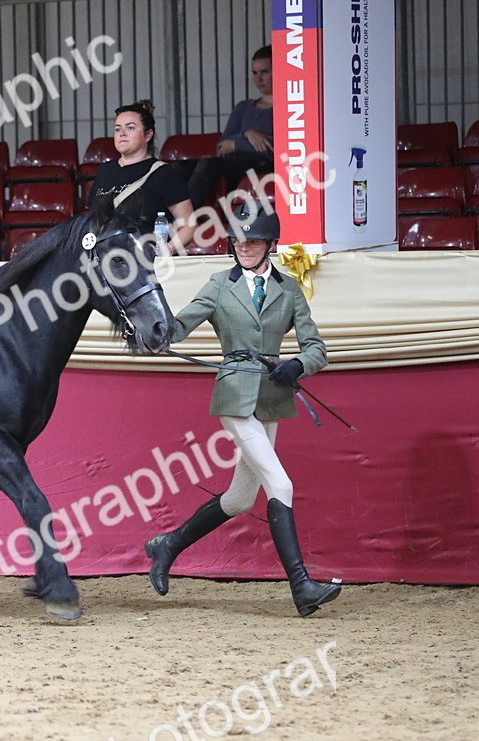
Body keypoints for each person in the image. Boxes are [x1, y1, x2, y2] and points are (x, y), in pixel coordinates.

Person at [144, 201, 341, 617]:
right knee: (281, 485)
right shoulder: (218, 285)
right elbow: (180, 327)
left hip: (270, 396)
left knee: (238, 498)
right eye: (238, 240)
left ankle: (168, 544)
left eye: (253, 240)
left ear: (269, 243)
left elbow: (317, 348)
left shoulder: (288, 290)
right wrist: (157, 325)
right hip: (234, 396)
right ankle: (302, 588)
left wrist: (298, 364)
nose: (245, 247)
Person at [89, 100, 195, 252]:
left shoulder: (164, 173)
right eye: (117, 129)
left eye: (130, 128)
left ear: (148, 135)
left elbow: (189, 225)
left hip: (142, 265)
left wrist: (167, 249)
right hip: (102, 261)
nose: (122, 134)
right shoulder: (105, 170)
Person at [183, 46, 275, 209]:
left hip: (265, 164)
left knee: (208, 165)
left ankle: (187, 220)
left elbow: (273, 147)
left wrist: (237, 143)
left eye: (265, 72)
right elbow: (223, 145)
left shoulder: (290, 107)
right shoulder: (244, 107)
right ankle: (165, 218)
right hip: (235, 161)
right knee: (179, 167)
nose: (258, 79)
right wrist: (249, 134)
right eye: (255, 73)